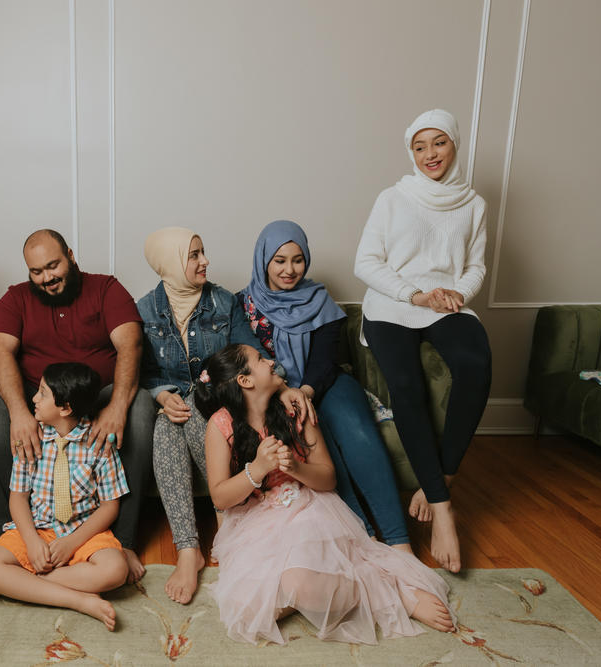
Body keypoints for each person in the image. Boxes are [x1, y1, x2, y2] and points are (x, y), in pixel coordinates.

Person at [196, 344, 455, 645]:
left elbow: (328, 478)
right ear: (245, 381)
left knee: (299, 584)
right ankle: (321, 586)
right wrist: (257, 470)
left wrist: (294, 467)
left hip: (307, 509)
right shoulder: (221, 425)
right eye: (260, 359)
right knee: (245, 613)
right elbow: (220, 497)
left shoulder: (296, 409)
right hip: (254, 520)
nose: (270, 361)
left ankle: (392, 592)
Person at [0, 229, 155, 582]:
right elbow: (0, 351)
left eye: (53, 266)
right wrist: (19, 413)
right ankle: (6, 538)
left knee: (141, 407)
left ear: (70, 255)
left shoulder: (106, 288)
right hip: (39, 395)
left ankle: (122, 541)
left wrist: (117, 406)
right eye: (36, 272)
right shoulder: (17, 298)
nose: (47, 278)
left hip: (97, 390)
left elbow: (130, 345)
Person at [137, 227, 309, 605]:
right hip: (175, 408)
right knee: (168, 424)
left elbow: (252, 353)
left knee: (193, 419)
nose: (205, 261)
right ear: (169, 264)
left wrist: (283, 385)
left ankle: (226, 524)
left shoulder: (223, 302)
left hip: (218, 403)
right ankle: (188, 549)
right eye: (194, 255)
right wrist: (163, 395)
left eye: (203, 252)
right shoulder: (145, 310)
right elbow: (146, 371)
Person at [354, 108, 491, 574]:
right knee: (407, 388)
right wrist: (414, 294)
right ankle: (443, 508)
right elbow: (366, 262)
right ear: (410, 152)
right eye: (420, 146)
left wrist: (458, 292)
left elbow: (475, 267)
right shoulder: (393, 198)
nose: (430, 154)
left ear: (454, 145)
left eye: (439, 144)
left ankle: (440, 478)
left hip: (444, 303)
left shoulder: (473, 204)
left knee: (476, 363)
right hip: (394, 303)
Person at [240, 220, 412, 553]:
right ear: (263, 260)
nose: (290, 269)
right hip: (273, 392)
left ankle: (400, 540)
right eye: (279, 260)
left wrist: (305, 392)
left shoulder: (320, 300)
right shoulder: (242, 305)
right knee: (311, 428)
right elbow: (251, 357)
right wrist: (283, 392)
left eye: (298, 259)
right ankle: (364, 536)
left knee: (359, 431)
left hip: (324, 382)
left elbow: (323, 360)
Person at [0, 362, 129, 631]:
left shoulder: (98, 443)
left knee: (116, 570)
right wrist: (32, 543)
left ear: (65, 407)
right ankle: (78, 600)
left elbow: (109, 506)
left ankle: (18, 584)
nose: (34, 398)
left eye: (42, 393)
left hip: (84, 533)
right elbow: (18, 499)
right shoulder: (30, 438)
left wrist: (71, 543)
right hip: (39, 529)